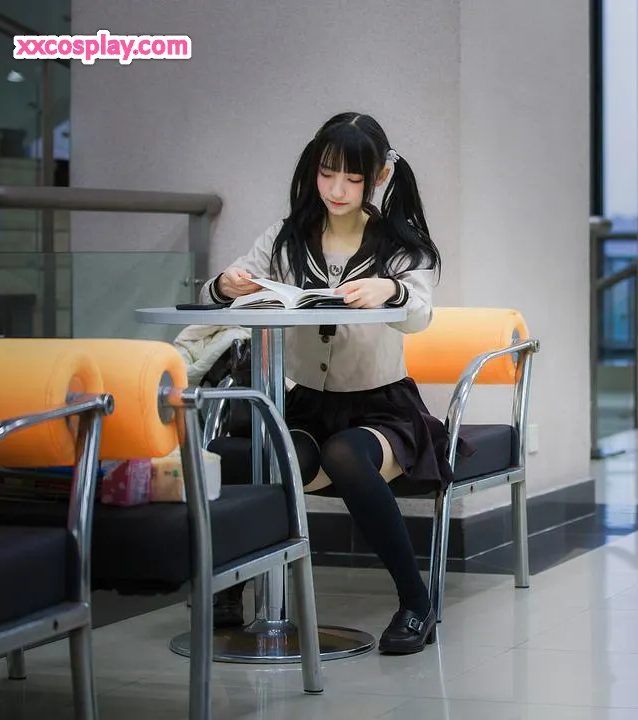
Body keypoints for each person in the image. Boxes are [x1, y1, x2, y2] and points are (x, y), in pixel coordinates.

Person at [200, 112, 470, 655]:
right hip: (305, 405)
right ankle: (231, 586)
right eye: (327, 174)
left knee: (345, 454)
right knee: (260, 455)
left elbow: (419, 312)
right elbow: (221, 290)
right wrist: (225, 285)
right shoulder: (285, 237)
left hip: (382, 409)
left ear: (380, 178)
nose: (337, 190)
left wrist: (389, 290)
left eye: (353, 178)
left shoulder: (400, 244)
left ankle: (416, 603)